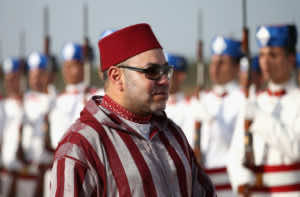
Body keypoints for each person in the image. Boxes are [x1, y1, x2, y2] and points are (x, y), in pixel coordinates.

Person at [50, 23, 216, 197]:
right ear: (117, 77)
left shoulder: (173, 135)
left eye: (166, 71)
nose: (165, 81)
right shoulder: (81, 146)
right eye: (152, 71)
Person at [227, 24, 300, 196]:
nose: (265, 62)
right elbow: (235, 153)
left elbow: (295, 149)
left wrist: (259, 117)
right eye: (262, 55)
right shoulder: (254, 101)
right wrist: (241, 179)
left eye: (273, 55)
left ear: (290, 59)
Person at [190, 36, 245, 197]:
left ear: (236, 67)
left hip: (230, 183)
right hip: (202, 182)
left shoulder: (243, 99)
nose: (215, 68)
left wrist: (211, 121)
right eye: (213, 62)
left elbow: (236, 143)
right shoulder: (202, 100)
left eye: (222, 62)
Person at [0, 57, 37, 197]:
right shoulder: (2, 106)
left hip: (27, 174)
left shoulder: (32, 102)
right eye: (7, 78)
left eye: (14, 78)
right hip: (5, 173)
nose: (10, 82)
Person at [49, 42, 97, 149]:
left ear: (83, 66)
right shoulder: (57, 99)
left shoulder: (95, 96)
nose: (67, 70)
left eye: (72, 65)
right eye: (65, 66)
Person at [23, 52, 56, 197]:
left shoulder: (54, 99)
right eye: (33, 75)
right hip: (26, 169)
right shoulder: (23, 100)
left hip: (47, 170)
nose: (36, 79)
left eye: (39, 75)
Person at [164, 53, 194, 145]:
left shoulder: (190, 106)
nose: (163, 76)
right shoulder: (152, 105)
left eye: (168, 72)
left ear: (181, 76)